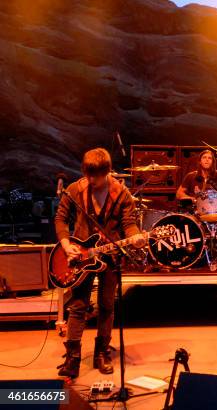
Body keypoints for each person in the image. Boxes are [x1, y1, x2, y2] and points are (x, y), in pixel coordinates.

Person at [55, 148, 145, 378]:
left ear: (107, 172)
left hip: (110, 254)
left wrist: (135, 237)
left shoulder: (121, 193)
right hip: (80, 255)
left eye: (96, 175)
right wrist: (66, 245)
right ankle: (73, 356)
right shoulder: (76, 188)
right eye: (88, 174)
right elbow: (61, 218)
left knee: (106, 305)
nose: (91, 180)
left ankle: (101, 352)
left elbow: (129, 223)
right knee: (77, 305)